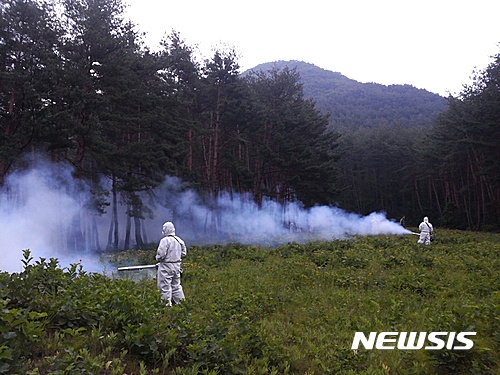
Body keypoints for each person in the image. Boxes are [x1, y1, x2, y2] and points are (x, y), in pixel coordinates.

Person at [156, 221, 187, 306]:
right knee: (176, 287)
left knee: (165, 288)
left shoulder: (165, 240)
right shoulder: (179, 240)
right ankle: (182, 305)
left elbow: (161, 254)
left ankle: (166, 308)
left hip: (166, 266)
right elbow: (184, 253)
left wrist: (158, 259)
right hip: (177, 266)